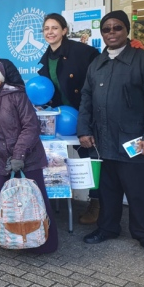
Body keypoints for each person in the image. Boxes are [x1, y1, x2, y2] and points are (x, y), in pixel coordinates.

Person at [78, 10, 144, 260]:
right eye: (106, 29)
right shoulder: (96, 63)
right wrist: (83, 130)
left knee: (139, 192)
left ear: (126, 30)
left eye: (117, 28)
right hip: (103, 140)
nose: (111, 33)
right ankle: (107, 228)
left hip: (135, 141)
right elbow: (86, 98)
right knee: (108, 191)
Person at [0, 58, 58, 253]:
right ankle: (9, 238)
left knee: (36, 198)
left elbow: (31, 126)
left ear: (1, 76)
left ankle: (44, 242)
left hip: (28, 156)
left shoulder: (17, 96)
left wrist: (19, 155)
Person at [37, 13, 100, 225]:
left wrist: (87, 118)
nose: (50, 32)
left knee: (92, 160)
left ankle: (98, 203)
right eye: (46, 28)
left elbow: (95, 86)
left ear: (64, 30)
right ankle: (56, 197)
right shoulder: (45, 60)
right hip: (61, 119)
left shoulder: (84, 52)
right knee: (58, 159)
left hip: (85, 115)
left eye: (55, 28)